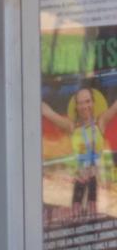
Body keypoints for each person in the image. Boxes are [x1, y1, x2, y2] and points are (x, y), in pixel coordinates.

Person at [43, 88, 117, 220]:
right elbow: (49, 113)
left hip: (100, 183)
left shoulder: (101, 122)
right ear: (76, 106)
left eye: (87, 101)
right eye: (80, 103)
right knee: (78, 216)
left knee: (98, 217)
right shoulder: (72, 127)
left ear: (93, 103)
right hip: (79, 181)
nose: (84, 106)